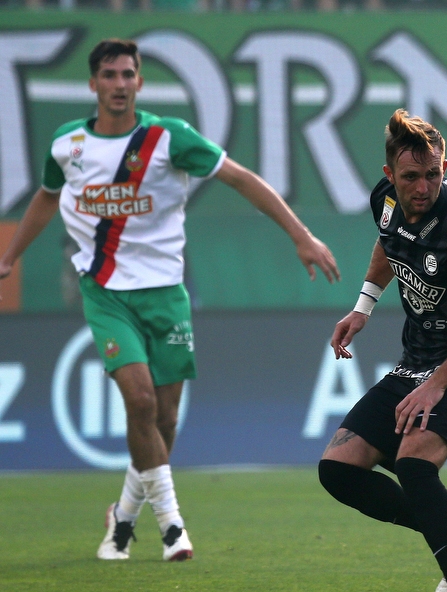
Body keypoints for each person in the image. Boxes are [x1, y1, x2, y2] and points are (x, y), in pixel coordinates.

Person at [0, 39, 340, 562]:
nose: (119, 84)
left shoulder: (167, 138)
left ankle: (123, 517)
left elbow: (240, 178)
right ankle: (172, 525)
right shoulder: (67, 145)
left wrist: (300, 234)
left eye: (128, 74)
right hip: (105, 291)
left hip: (166, 291)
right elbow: (47, 197)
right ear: (93, 84)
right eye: (109, 75)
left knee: (163, 417)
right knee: (138, 401)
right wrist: (10, 256)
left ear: (139, 83)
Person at [317, 109, 447, 592]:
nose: (423, 187)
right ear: (389, 177)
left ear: (446, 167)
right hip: (416, 361)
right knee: (338, 469)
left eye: (433, 174)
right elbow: (391, 244)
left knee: (414, 464)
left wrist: (437, 385)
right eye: (411, 177)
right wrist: (362, 306)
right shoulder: (384, 204)